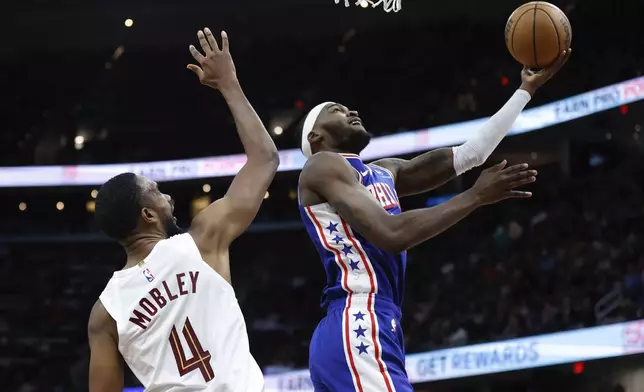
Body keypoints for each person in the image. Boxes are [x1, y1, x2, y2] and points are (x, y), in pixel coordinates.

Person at [297, 50, 571, 391]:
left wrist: (525, 91)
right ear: (315, 138)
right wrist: (474, 196)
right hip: (357, 317)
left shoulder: (384, 171)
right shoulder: (322, 165)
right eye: (335, 111)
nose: (350, 111)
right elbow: (391, 233)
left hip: (376, 322)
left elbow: (471, 155)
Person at [87, 29, 278, 392]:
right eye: (158, 193)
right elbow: (265, 159)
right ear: (147, 214)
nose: (169, 199)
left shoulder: (104, 313)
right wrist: (229, 84)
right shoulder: (201, 241)